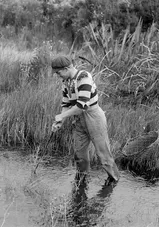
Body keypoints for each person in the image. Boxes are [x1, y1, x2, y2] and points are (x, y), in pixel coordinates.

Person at [50, 55, 120, 186]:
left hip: (94, 117)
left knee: (103, 154)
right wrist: (60, 122)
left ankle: (114, 180)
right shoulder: (66, 83)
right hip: (78, 119)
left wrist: (62, 117)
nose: (58, 76)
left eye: (58, 73)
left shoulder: (84, 77)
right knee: (80, 154)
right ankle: (82, 181)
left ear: (66, 68)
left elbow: (82, 106)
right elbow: (66, 105)